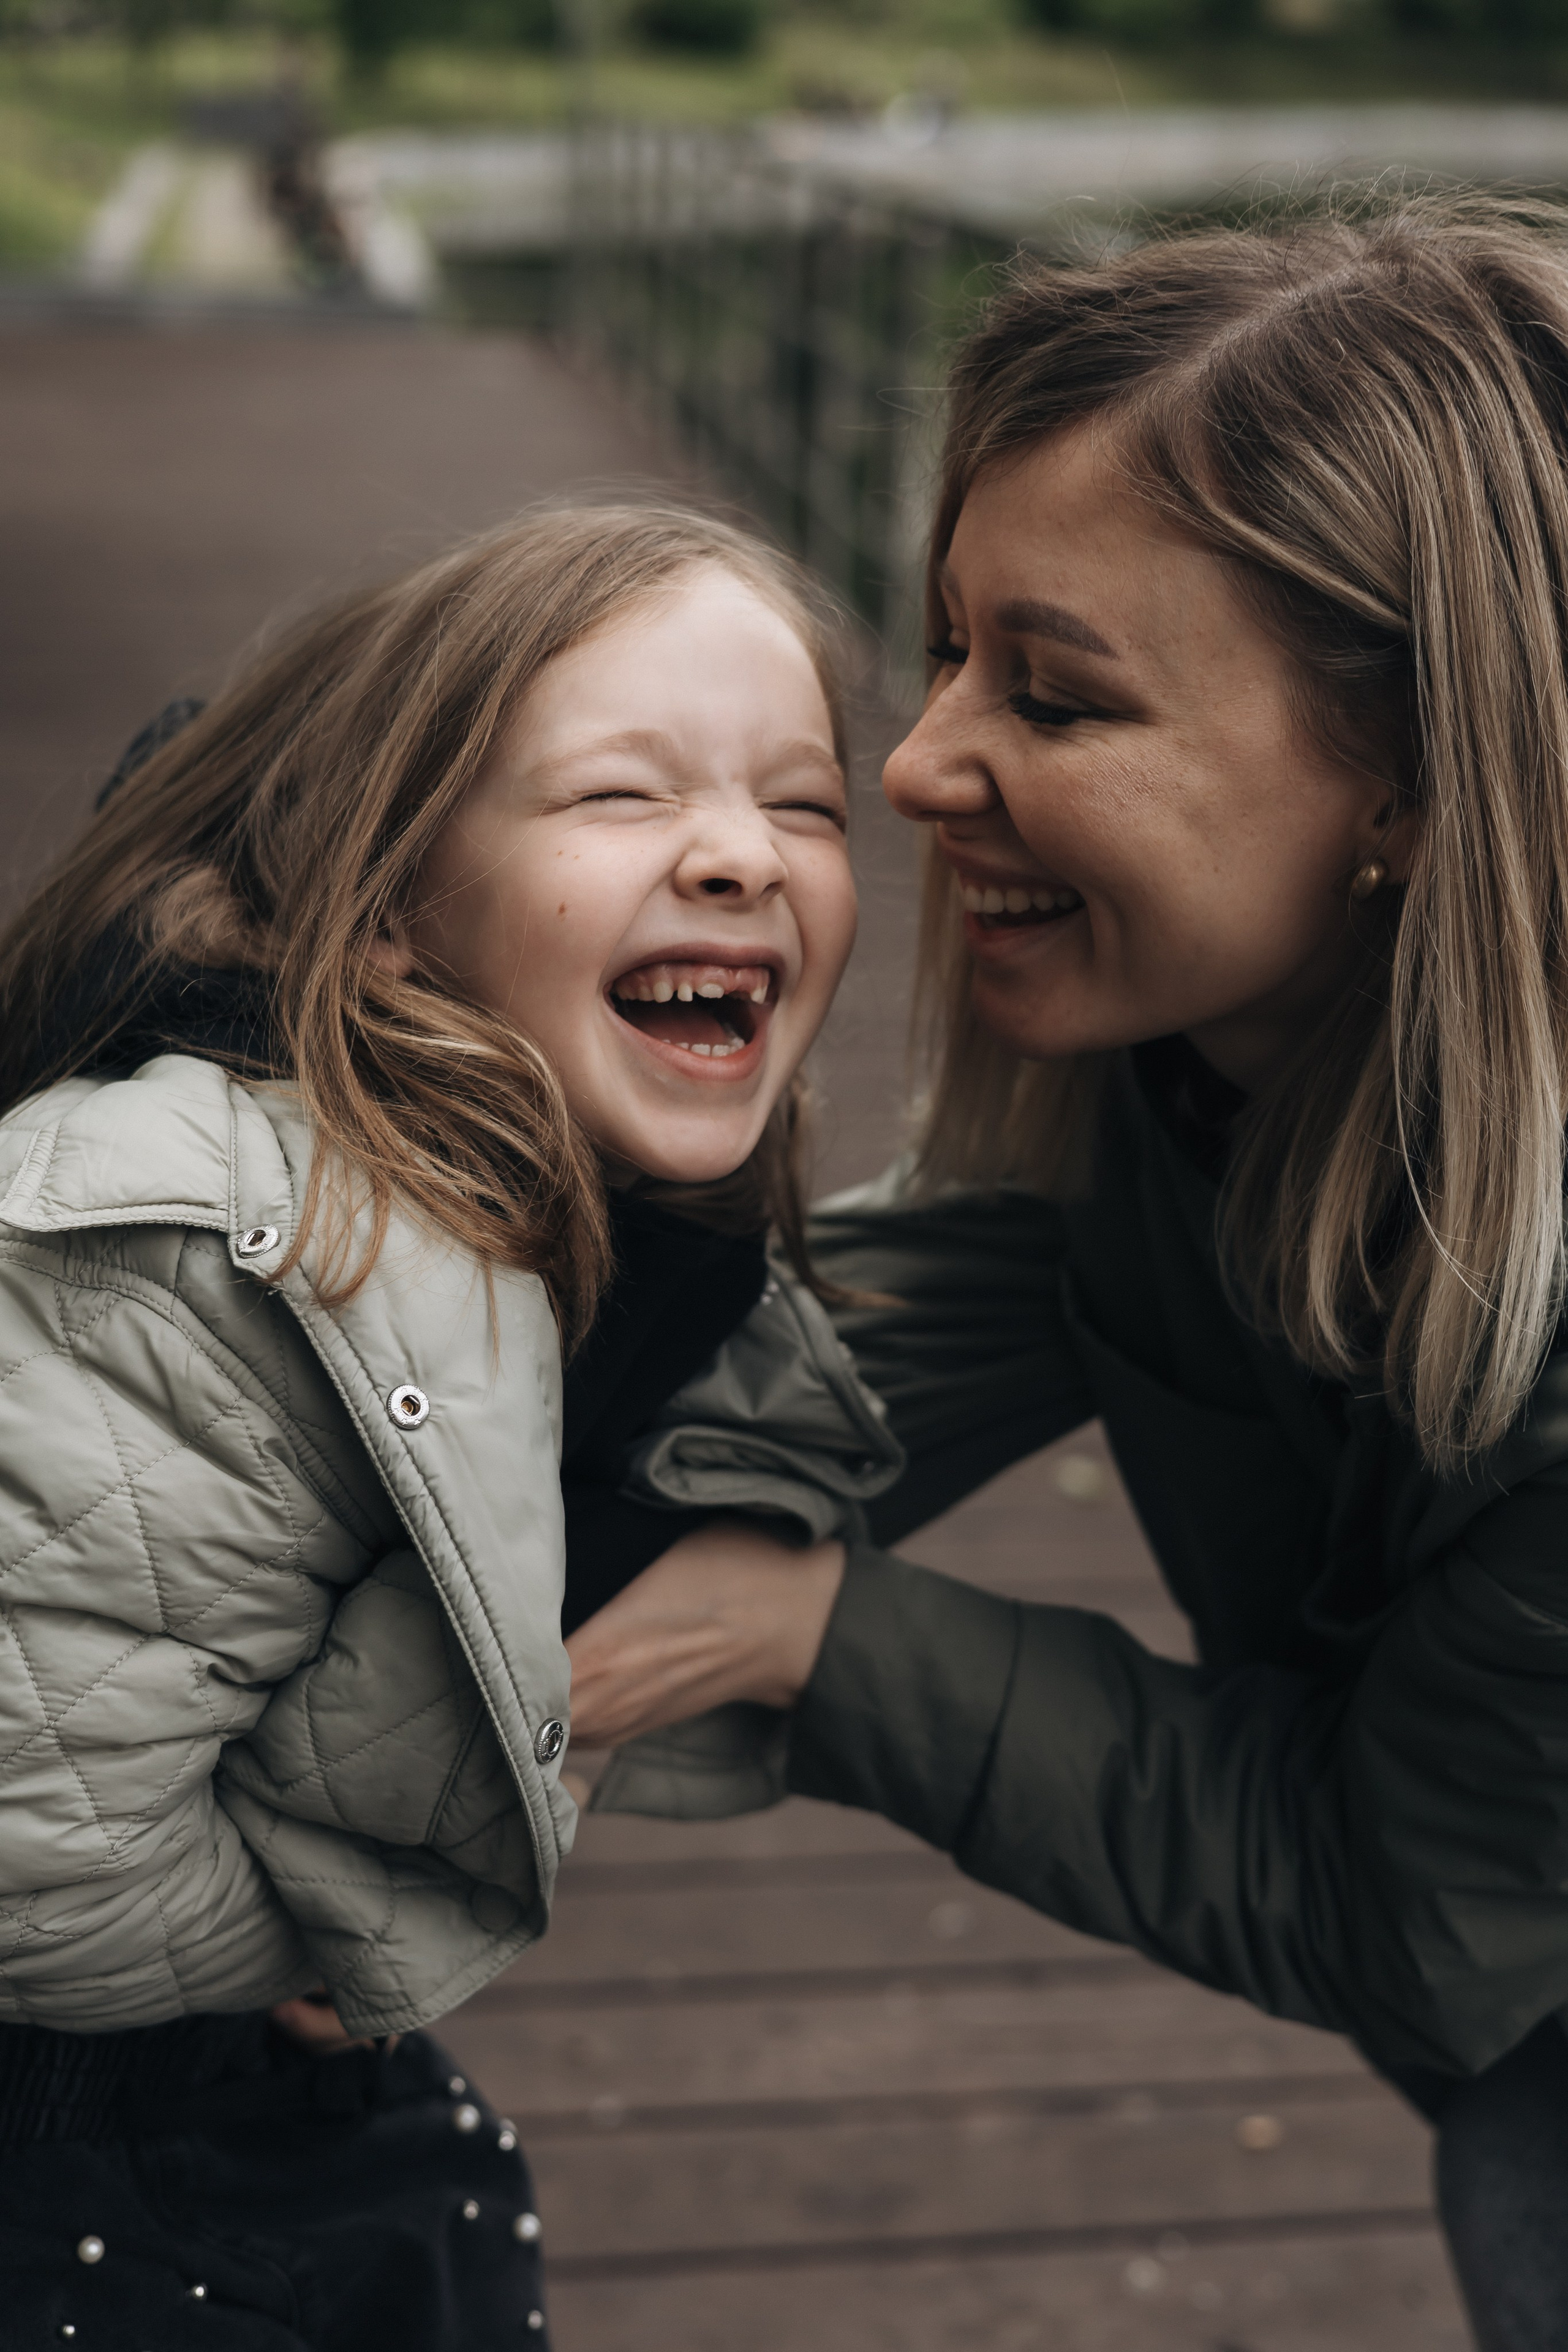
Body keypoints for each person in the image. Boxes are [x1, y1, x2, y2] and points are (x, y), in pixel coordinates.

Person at [563, 201, 1568, 2352]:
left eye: (1054, 693)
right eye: (945, 650)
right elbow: (834, 1357)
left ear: (1407, 777)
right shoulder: (1202, 1066)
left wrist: (810, 1637)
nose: (913, 769)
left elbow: (1402, 1910)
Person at [0, 503, 897, 2350]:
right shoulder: (185, 1249)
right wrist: (365, 1919)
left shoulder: (624, 1243)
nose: (739, 855)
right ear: (398, 903)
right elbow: (35, 1859)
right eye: (620, 798)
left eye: (805, 804)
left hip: (228, 2094)